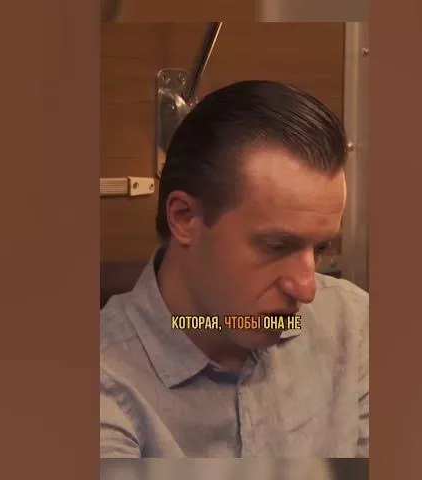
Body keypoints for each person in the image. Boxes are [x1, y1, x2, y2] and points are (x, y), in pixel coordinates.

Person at [100, 80, 369, 458]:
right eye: (277, 246)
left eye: (320, 248)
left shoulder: (354, 324)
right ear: (184, 217)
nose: (307, 289)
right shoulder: (102, 382)